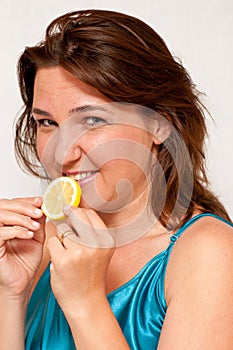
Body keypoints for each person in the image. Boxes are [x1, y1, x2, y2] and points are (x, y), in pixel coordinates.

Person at [0, 9, 232, 350]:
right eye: (47, 123)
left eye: (92, 120)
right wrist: (11, 295)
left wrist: (85, 303)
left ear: (158, 124)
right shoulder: (42, 242)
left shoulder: (210, 254)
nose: (61, 154)